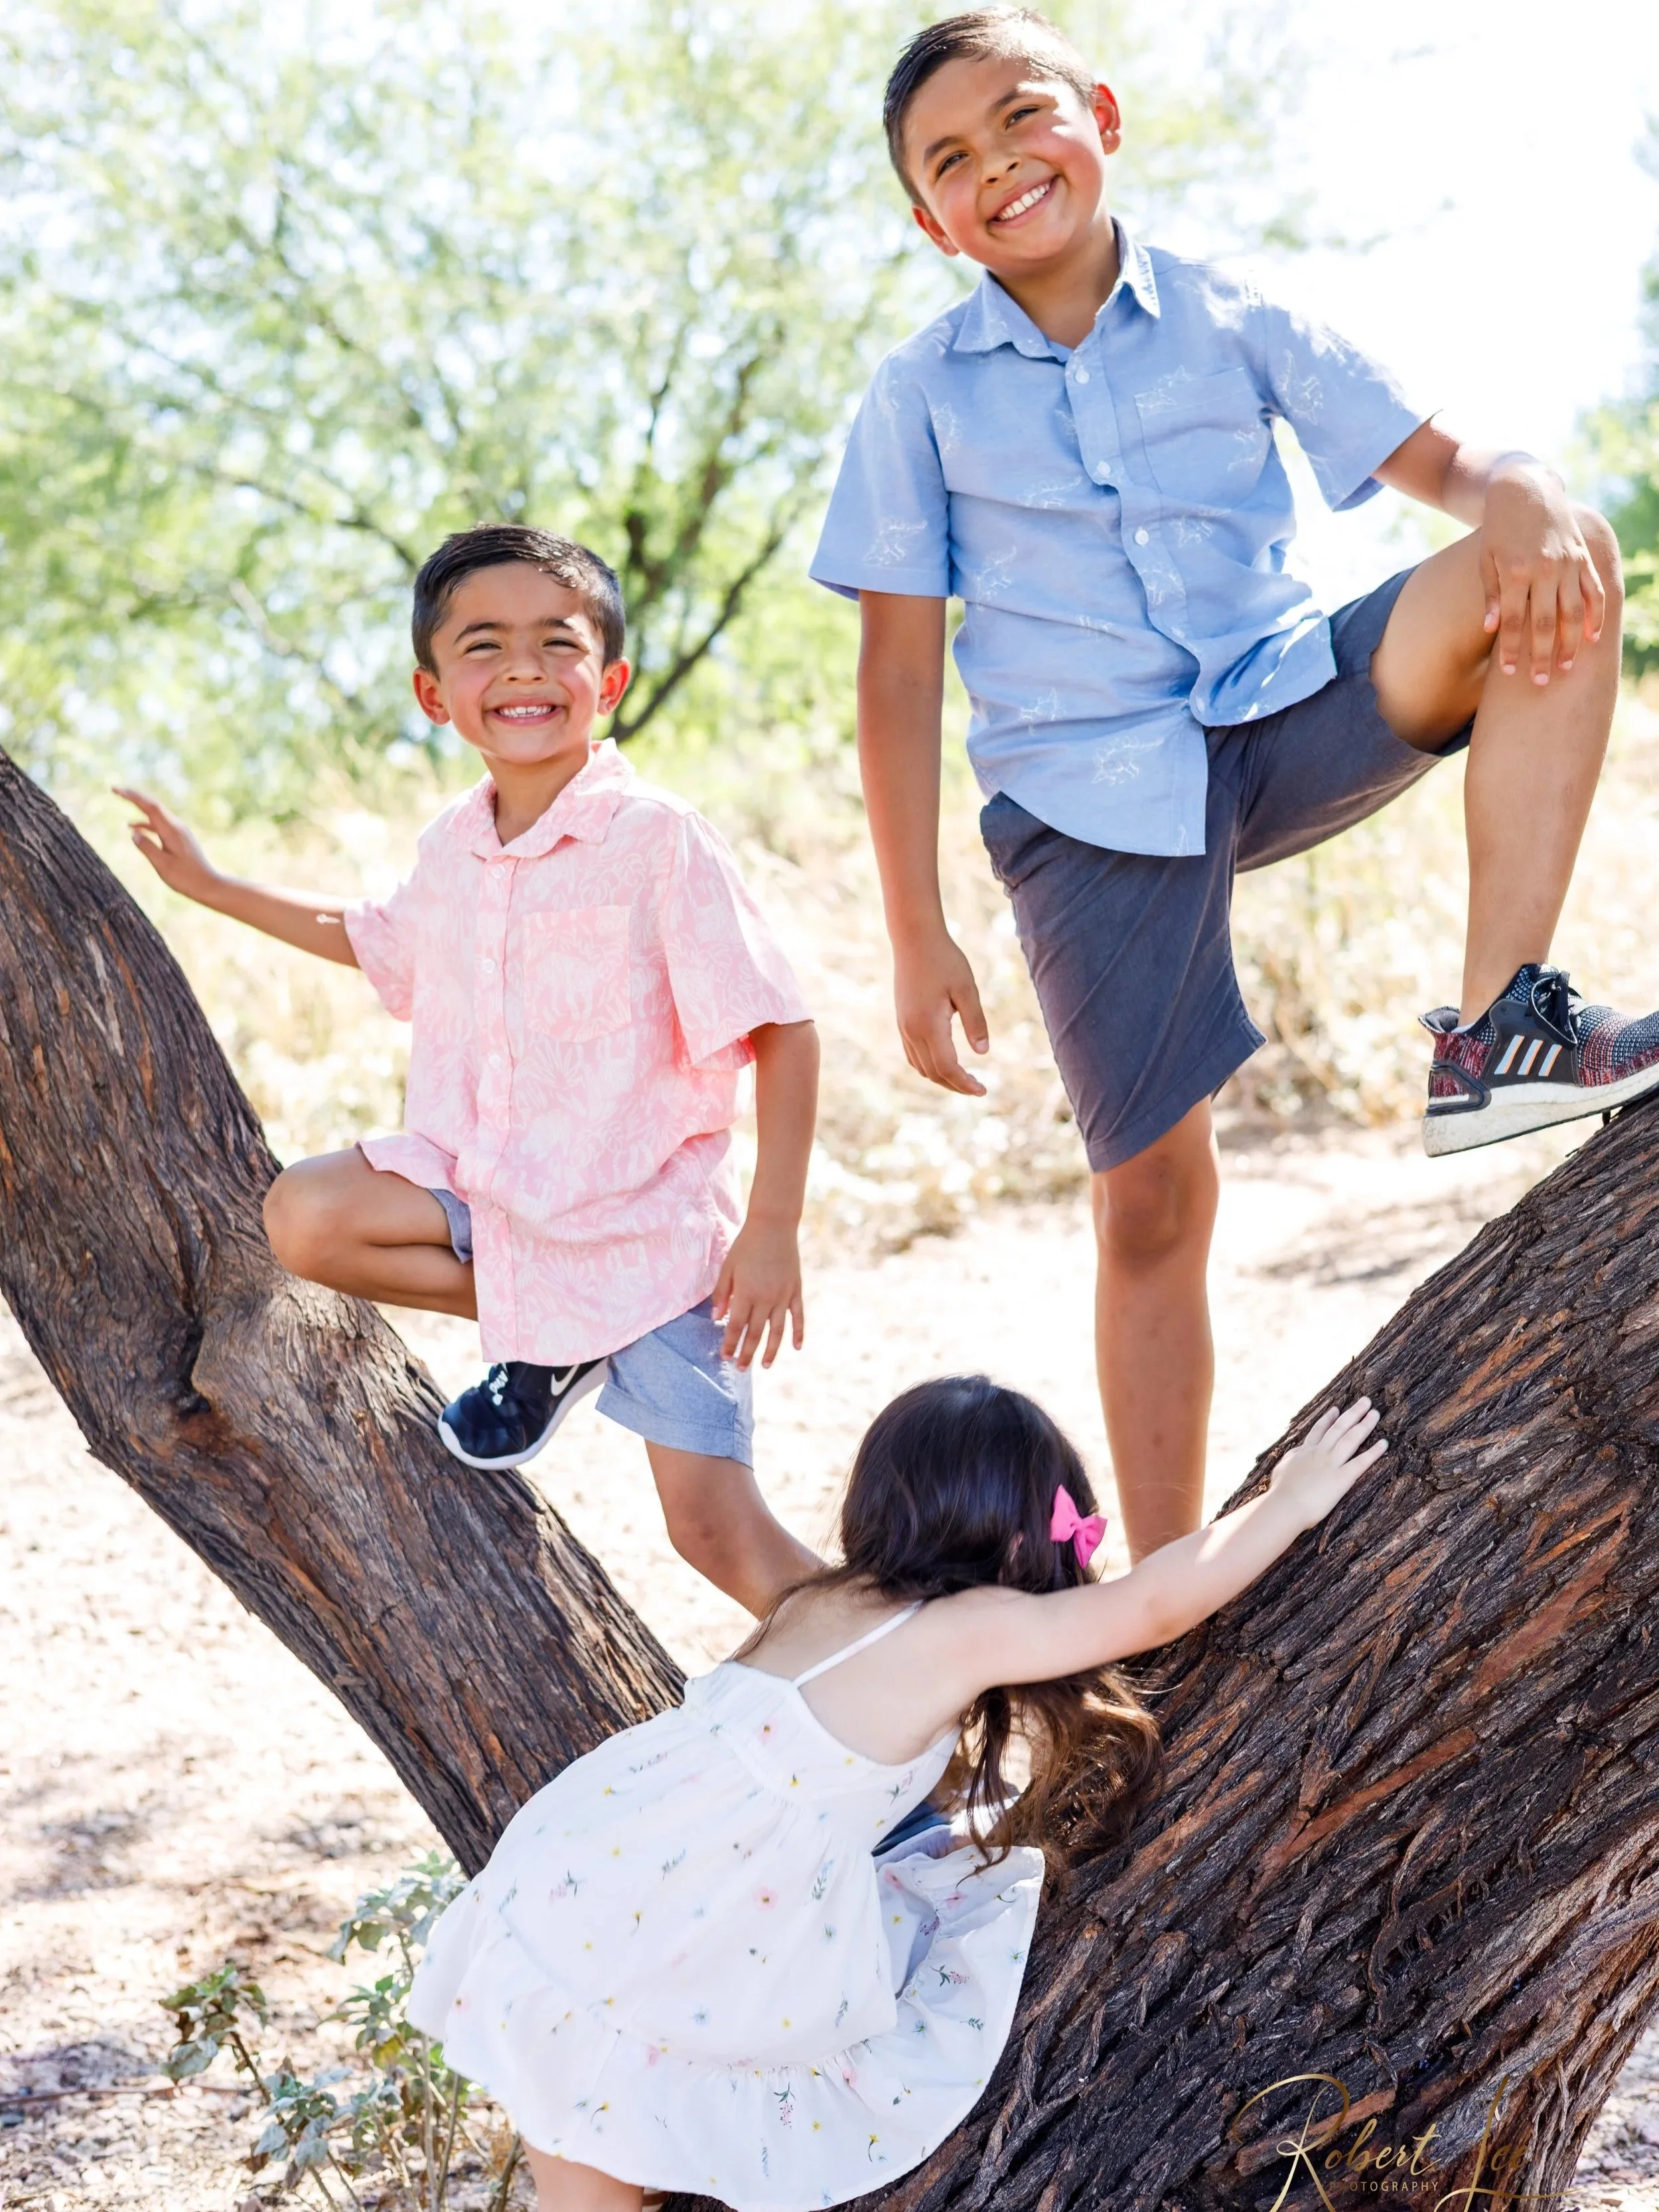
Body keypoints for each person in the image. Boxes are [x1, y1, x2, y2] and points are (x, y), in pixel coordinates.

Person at [810, 8, 1658, 1566]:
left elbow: (1448, 469)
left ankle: (1500, 1026)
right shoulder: (916, 399)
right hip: (1083, 804)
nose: (997, 165)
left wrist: (1526, 486)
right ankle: (1171, 1573)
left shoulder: (1229, 310)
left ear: (1101, 118)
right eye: (950, 160)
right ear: (924, 220)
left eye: (1020, 120)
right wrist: (913, 931)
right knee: (1153, 1203)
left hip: (1281, 707)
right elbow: (897, 676)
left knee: (1556, 557)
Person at [406, 1374, 1384, 2212]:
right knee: (609, 2071)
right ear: (1017, 1537)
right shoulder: (966, 1626)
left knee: (577, 2075)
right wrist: (1287, 1503)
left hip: (592, 1856)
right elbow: (1152, 1606)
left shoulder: (826, 1596)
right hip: (692, 1902)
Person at [119, 524, 822, 1619]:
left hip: (655, 1245)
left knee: (716, 1536)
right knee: (307, 1216)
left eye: (558, 642)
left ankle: (931, 1708)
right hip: (495, 1200)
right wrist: (214, 889)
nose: (526, 669)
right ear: (433, 693)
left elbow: (782, 1028)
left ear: (613, 679)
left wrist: (773, 1228)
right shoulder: (450, 846)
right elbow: (376, 938)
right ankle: (556, 1338)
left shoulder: (658, 839)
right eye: (484, 646)